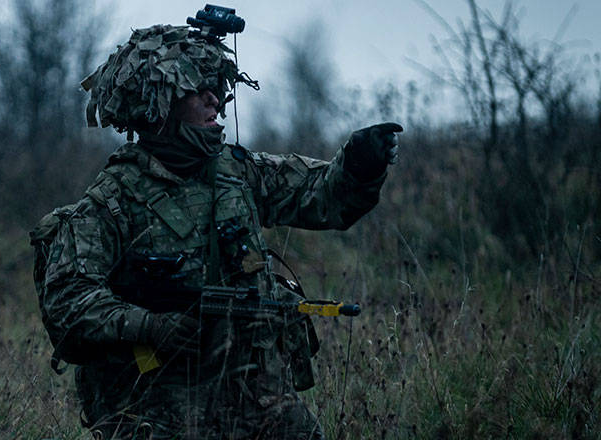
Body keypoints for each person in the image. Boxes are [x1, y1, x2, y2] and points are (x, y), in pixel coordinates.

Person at [34, 24, 401, 439]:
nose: (216, 99)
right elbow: (67, 302)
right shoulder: (114, 198)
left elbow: (320, 197)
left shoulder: (234, 171)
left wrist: (359, 163)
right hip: (160, 409)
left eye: (218, 87)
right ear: (161, 103)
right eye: (199, 89)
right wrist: (148, 326)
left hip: (256, 398)